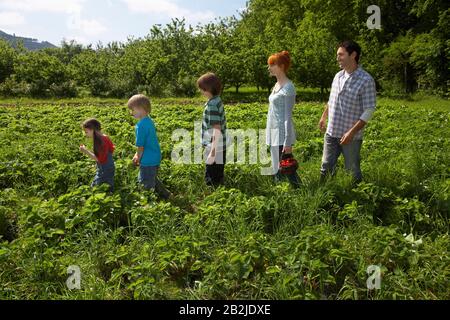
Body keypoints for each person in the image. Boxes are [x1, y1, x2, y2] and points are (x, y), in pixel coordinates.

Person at [318, 40, 376, 183]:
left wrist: (351, 132)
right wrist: (323, 117)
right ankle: (324, 193)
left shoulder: (366, 80)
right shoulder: (338, 76)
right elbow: (332, 100)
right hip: (331, 132)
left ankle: (356, 196)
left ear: (353, 55)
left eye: (341, 55)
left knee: (352, 169)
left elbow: (369, 110)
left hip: (350, 136)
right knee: (326, 165)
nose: (337, 58)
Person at [266, 51, 300, 188]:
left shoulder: (288, 87)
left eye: (272, 65)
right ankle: (279, 192)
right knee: (277, 166)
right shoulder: (276, 86)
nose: (269, 68)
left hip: (281, 133)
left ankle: (298, 190)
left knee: (287, 166)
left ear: (281, 66)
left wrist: (287, 141)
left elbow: (287, 116)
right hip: (273, 131)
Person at [128, 94, 171, 198]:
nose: (131, 112)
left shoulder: (141, 126)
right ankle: (167, 195)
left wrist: (137, 157)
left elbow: (141, 146)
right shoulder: (148, 121)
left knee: (145, 182)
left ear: (141, 109)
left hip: (147, 159)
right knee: (152, 178)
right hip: (154, 155)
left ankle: (147, 202)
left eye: (132, 110)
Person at [197, 73, 227, 187]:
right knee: (218, 174)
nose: (201, 92)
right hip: (220, 145)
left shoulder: (212, 105)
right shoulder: (217, 100)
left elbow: (216, 129)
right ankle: (219, 192)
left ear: (207, 89)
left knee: (211, 177)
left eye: (202, 89)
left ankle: (213, 196)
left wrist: (213, 152)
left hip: (214, 146)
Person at [80, 118, 115, 192]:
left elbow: (99, 159)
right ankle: (110, 196)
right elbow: (112, 149)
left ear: (93, 130)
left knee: (95, 187)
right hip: (110, 165)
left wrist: (85, 151)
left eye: (86, 132)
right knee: (109, 184)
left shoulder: (100, 141)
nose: (85, 134)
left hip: (104, 168)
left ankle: (98, 198)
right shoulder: (104, 137)